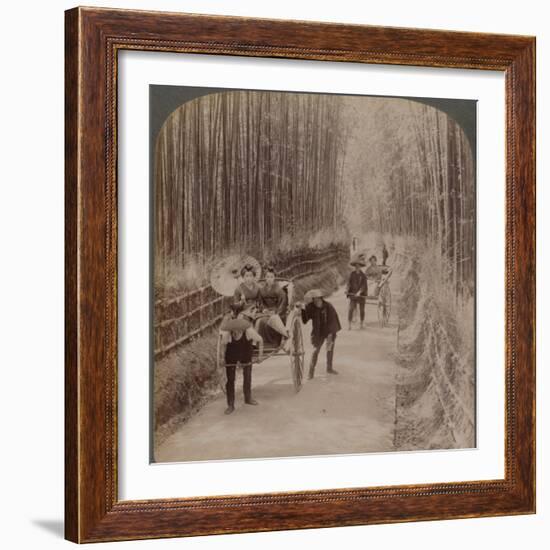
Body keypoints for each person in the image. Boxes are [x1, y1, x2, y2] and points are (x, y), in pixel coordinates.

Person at [220, 317, 264, 415]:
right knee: (230, 379)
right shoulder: (227, 334)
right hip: (231, 355)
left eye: (237, 331)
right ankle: (230, 404)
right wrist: (222, 358)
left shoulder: (249, 331)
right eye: (233, 331)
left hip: (246, 352)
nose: (235, 333)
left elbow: (260, 340)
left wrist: (260, 356)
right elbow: (223, 346)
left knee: (247, 375)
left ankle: (248, 398)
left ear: (241, 329)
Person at [300, 289, 342, 379]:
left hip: (329, 331)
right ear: (312, 300)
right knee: (315, 351)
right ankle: (311, 373)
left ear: (321, 298)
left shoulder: (328, 306)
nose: (317, 302)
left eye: (318, 299)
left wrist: (330, 334)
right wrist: (303, 310)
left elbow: (333, 320)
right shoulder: (310, 307)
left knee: (329, 349)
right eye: (314, 299)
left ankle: (329, 368)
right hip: (318, 333)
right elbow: (304, 320)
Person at [257, 266, 289, 345]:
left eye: (271, 277)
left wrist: (277, 312)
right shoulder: (262, 290)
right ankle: (263, 343)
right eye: (267, 277)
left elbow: (283, 302)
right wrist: (263, 309)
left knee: (272, 320)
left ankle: (274, 342)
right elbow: (260, 302)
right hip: (266, 311)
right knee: (260, 321)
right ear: (265, 278)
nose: (269, 279)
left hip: (277, 311)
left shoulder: (279, 289)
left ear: (274, 278)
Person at [346, 259, 368, 330]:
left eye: (358, 266)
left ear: (360, 267)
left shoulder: (363, 275)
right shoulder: (352, 274)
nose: (357, 267)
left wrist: (359, 292)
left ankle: (361, 323)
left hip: (361, 295)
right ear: (354, 267)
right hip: (353, 294)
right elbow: (349, 283)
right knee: (351, 308)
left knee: (362, 310)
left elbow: (364, 286)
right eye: (356, 266)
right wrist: (347, 290)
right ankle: (349, 324)